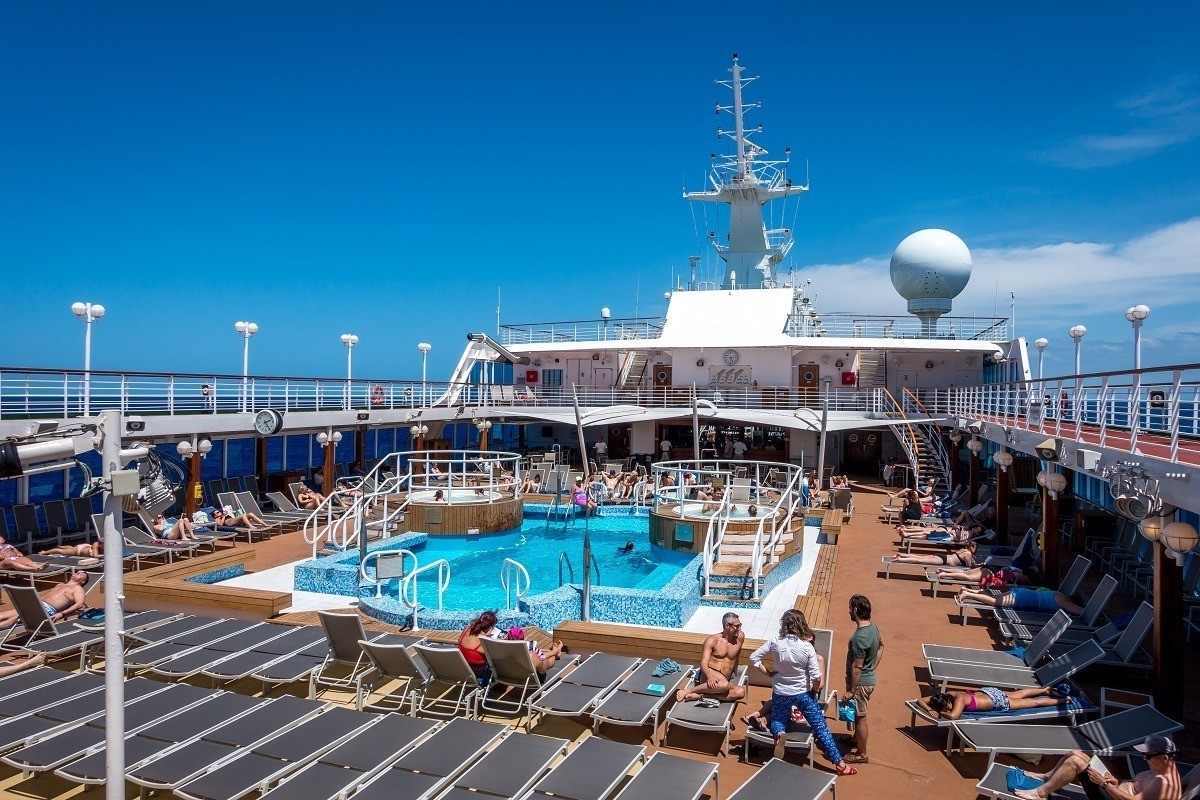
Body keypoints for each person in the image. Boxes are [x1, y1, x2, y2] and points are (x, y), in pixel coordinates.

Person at [750, 609, 855, 774]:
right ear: (801, 624)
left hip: (781, 691)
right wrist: (813, 691)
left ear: (784, 624)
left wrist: (768, 673)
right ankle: (840, 765)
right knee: (820, 727)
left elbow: (754, 658)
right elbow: (817, 677)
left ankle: (780, 734)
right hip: (803, 693)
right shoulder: (806, 647)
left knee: (778, 720)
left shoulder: (775, 641)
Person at [1012, 735, 1183, 800]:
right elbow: (1136, 785)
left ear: (1164, 758)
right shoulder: (1161, 768)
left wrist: (1104, 784)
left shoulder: (1164, 783)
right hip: (1113, 789)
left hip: (1111, 797)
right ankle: (1047, 777)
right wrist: (1116, 781)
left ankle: (1039, 793)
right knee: (1075, 753)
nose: (1144, 759)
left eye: (1147, 756)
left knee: (1076, 763)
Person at [677, 612, 748, 703]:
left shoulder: (740, 637)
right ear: (727, 626)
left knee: (740, 692)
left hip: (724, 679)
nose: (740, 628)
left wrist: (735, 669)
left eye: (740, 625)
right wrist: (709, 676)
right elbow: (703, 663)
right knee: (724, 685)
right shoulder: (712, 640)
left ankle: (701, 695)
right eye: (737, 626)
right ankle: (689, 690)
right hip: (710, 674)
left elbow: (737, 654)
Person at [845, 595, 882, 764]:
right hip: (867, 679)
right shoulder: (873, 628)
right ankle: (855, 739)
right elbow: (882, 647)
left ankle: (861, 754)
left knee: (860, 717)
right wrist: (872, 668)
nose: (849, 611)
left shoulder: (859, 638)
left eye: (851, 608)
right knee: (858, 713)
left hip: (861, 684)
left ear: (856, 610)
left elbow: (857, 667)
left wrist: (851, 690)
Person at [918, 684, 1075, 721]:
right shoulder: (946, 695)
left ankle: (1063, 700)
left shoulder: (959, 699)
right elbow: (920, 700)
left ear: (948, 701)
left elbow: (953, 716)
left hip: (997, 701)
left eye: (948, 705)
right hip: (989, 692)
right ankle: (1045, 689)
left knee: (1032, 704)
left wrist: (939, 712)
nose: (949, 707)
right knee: (1020, 693)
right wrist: (928, 707)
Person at [0, 570, 89, 626]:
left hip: (46, 610)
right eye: (78, 571)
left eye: (82, 574)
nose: (79, 572)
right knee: (3, 614)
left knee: (15, 617)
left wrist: (62, 613)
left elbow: (79, 604)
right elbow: (45, 596)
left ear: (82, 581)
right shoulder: (60, 585)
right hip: (36, 604)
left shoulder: (78, 589)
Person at [956, 586, 1085, 615]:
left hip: (1023, 591)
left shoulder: (1059, 593)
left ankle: (968, 590)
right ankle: (968, 594)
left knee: (995, 597)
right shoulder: (1063, 601)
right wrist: (1094, 612)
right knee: (994, 601)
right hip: (1024, 598)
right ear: (1071, 600)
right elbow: (1077, 610)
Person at [457, 611, 498, 684]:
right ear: (490, 627)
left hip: (462, 668)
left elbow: (459, 641)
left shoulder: (467, 629)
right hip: (476, 672)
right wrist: (488, 636)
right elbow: (494, 654)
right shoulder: (483, 641)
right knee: (495, 662)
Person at [887, 542, 978, 567]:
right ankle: (900, 559)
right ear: (971, 548)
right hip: (943, 560)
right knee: (919, 560)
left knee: (919, 557)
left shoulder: (963, 549)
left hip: (942, 556)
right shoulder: (968, 554)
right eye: (975, 548)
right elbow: (968, 566)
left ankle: (902, 555)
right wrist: (977, 565)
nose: (976, 550)